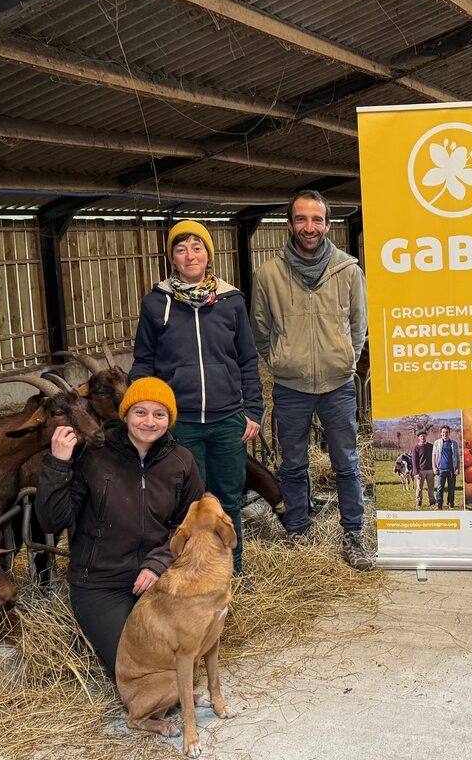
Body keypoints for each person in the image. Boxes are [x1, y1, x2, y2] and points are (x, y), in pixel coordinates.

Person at [35, 377, 203, 673]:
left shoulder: (181, 461)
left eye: (159, 414)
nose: (149, 421)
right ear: (124, 415)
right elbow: (53, 520)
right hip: (101, 584)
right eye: (140, 412)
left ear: (170, 419)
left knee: (179, 660)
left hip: (157, 578)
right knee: (136, 669)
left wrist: (159, 562)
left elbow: (190, 524)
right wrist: (58, 463)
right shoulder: (93, 455)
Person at [251, 190, 374, 571]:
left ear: (327, 224)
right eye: (302, 219)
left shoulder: (348, 270)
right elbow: (260, 328)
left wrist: (345, 360)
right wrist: (281, 361)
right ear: (289, 224)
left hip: (337, 385)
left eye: (317, 220)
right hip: (291, 386)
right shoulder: (268, 274)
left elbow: (359, 325)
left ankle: (352, 533)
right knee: (293, 464)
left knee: (346, 462)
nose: (309, 227)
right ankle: (299, 533)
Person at [130, 220, 262, 577]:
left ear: (208, 254)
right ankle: (191, 574)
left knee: (228, 501)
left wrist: (253, 409)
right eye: (181, 248)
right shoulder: (157, 303)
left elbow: (247, 359)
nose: (190, 255)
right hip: (182, 423)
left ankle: (231, 573)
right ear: (172, 258)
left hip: (226, 421)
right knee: (188, 505)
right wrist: (144, 410)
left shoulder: (231, 301)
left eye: (197, 247)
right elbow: (144, 361)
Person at [431, 426, 459, 510]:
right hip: (440, 469)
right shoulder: (437, 443)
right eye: (443, 432)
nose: (445, 434)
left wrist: (458, 468)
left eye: (446, 432)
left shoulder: (454, 443)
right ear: (441, 433)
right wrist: (434, 467)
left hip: (451, 469)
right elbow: (434, 456)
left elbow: (457, 457)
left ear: (449, 433)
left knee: (451, 487)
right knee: (440, 488)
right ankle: (439, 505)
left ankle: (450, 503)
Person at [410, 429, 435, 508]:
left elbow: (434, 458)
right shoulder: (416, 447)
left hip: (430, 470)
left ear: (426, 437)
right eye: (421, 436)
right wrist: (416, 473)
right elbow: (414, 461)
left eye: (424, 436)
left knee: (431, 487)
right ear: (418, 437)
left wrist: (434, 469)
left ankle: (432, 501)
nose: (423, 437)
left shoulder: (431, 446)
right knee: (419, 488)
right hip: (421, 471)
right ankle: (418, 501)